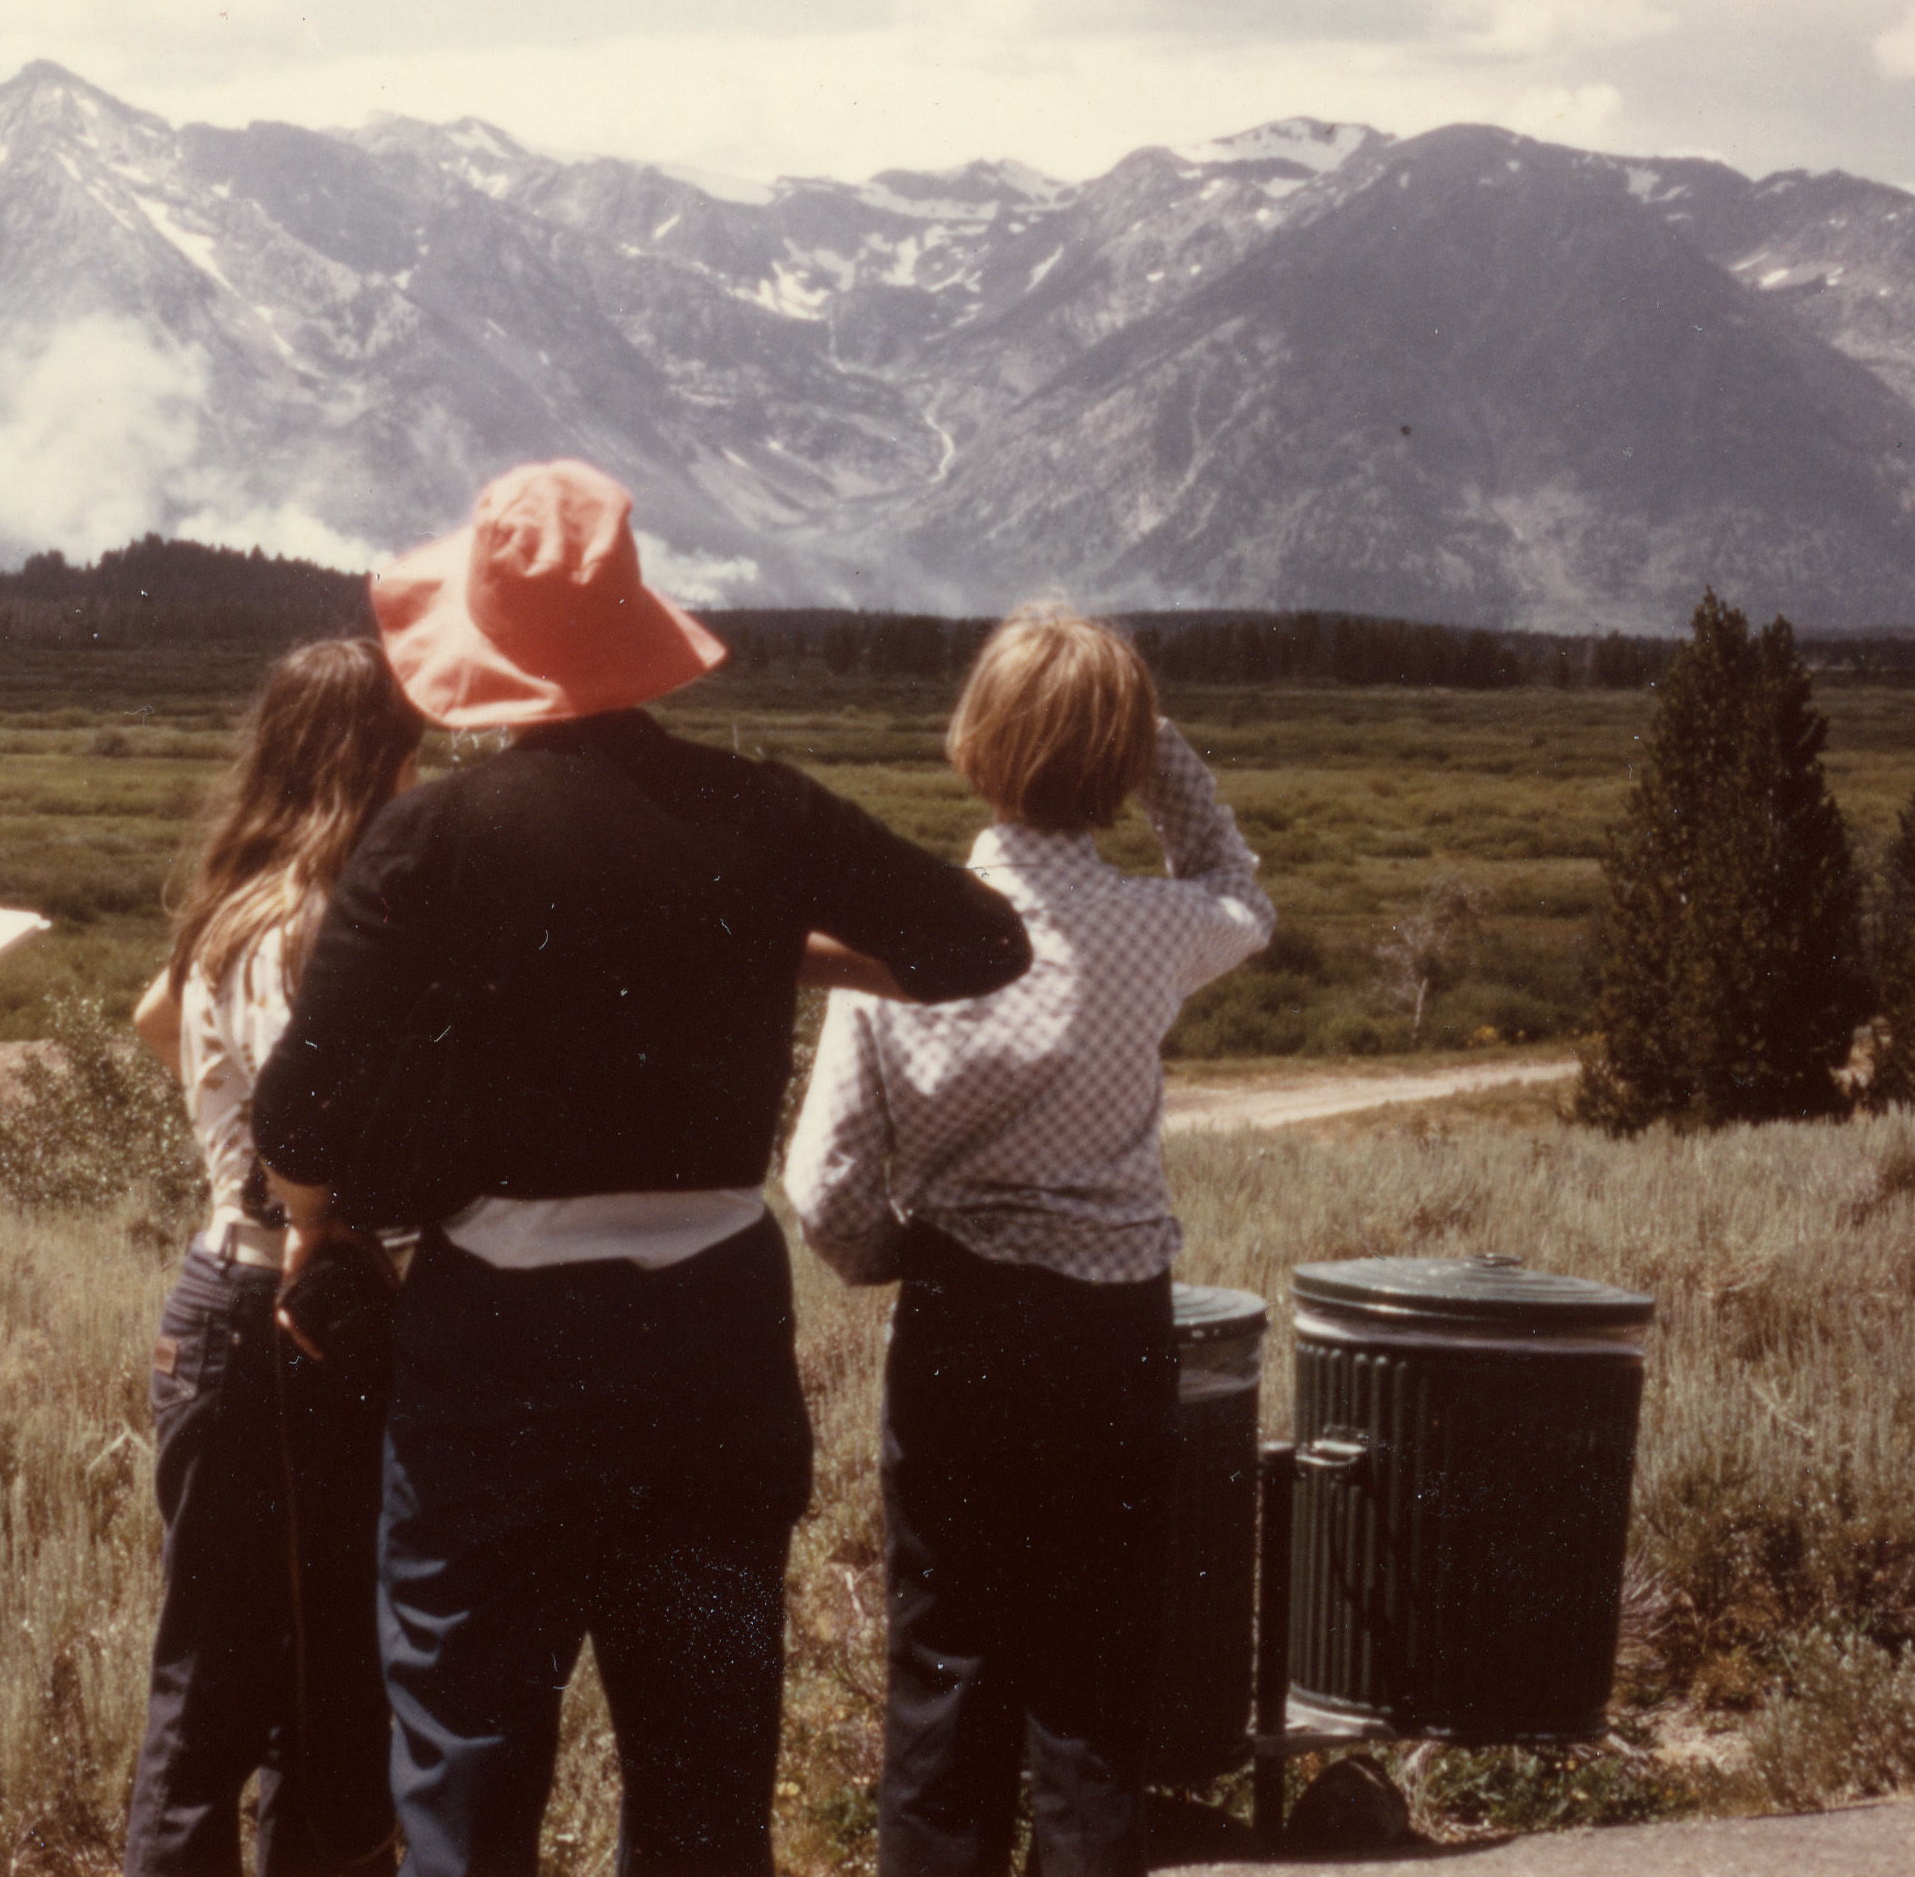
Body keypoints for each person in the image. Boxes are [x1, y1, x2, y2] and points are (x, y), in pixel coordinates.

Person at [251, 460, 1036, 1877]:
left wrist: (315, 1235)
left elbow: (295, 1121)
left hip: (500, 1332)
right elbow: (981, 943)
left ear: (477, 649)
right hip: (713, 1328)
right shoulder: (757, 809)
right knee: (700, 1758)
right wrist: (756, 948)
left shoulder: (430, 838)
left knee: (468, 1740)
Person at [782, 601, 1273, 1877]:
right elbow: (1237, 890)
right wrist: (1151, 747)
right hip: (1112, 1328)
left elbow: (822, 1180)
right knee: (1094, 1680)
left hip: (963, 1318)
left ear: (973, 737)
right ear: (1118, 763)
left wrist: (907, 1253)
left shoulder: (903, 934)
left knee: (943, 1665)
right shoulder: (1151, 934)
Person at [123, 639, 429, 1877]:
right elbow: (307, 1120)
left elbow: (154, 1017)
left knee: (257, 1663)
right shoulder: (311, 916)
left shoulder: (242, 896)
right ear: (378, 758)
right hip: (286, 1307)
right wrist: (311, 1201)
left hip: (240, 1300)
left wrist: (219, 1126)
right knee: (267, 1678)